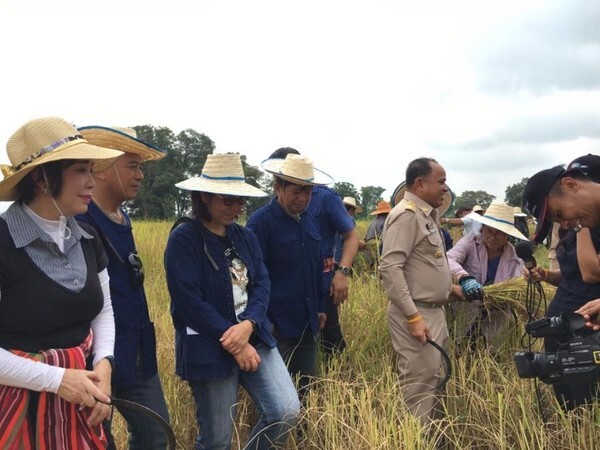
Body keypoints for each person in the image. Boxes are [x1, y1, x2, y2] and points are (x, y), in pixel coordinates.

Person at [0, 117, 124, 448]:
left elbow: (104, 309)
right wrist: (56, 379)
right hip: (17, 411)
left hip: (84, 402)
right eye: (81, 170)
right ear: (43, 179)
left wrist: (104, 363)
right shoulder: (2, 243)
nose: (92, 183)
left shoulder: (87, 237)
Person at [164, 153, 300, 450]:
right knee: (217, 438)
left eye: (240, 201)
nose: (235, 207)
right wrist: (235, 340)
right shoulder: (184, 238)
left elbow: (261, 283)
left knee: (286, 410)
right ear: (204, 196)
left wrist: (249, 324)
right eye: (227, 199)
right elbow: (188, 301)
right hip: (208, 343)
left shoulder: (245, 236)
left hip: (254, 334)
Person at [76, 125, 170, 449]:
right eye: (132, 165)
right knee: (99, 440)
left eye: (141, 167)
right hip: (97, 361)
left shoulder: (123, 218)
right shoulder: (81, 223)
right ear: (101, 169)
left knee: (156, 436)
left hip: (139, 352)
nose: (140, 175)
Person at [379, 157, 464, 424]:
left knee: (434, 379)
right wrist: (413, 317)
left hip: (433, 312)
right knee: (420, 383)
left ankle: (430, 438)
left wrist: (449, 288)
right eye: (440, 182)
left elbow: (423, 267)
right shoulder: (406, 216)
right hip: (417, 314)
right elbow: (391, 267)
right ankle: (415, 438)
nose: (445, 188)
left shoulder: (427, 217)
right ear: (420, 183)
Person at [247, 153, 331, 399]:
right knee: (276, 397)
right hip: (275, 328)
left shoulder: (310, 222)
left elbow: (316, 269)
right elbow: (251, 279)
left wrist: (320, 306)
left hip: (307, 323)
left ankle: (303, 437)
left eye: (308, 191)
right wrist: (263, 320)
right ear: (278, 188)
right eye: (296, 191)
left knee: (306, 388)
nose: (303, 197)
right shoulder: (260, 224)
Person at [265, 148, 359, 356]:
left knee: (330, 339)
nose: (301, 197)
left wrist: (341, 272)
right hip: (285, 288)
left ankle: (336, 380)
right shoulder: (273, 207)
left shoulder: (325, 198)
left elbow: (351, 236)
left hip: (322, 283)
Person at [523, 154, 600, 411]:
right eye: (557, 222)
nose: (565, 223)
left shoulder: (586, 226)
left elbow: (591, 273)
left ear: (570, 185)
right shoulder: (580, 224)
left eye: (558, 214)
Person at [447, 202, 527, 351]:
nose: (493, 237)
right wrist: (465, 278)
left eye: (499, 233)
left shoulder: (515, 257)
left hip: (496, 316)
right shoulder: (470, 243)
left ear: (507, 236)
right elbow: (449, 259)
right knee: (460, 350)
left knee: (491, 353)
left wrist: (504, 297)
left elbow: (519, 284)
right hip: (466, 311)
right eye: (489, 231)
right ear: (482, 230)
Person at [333, 196, 366, 263]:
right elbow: (348, 239)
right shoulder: (349, 219)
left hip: (334, 257)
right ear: (352, 209)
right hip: (343, 259)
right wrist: (361, 243)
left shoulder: (335, 218)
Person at [363, 200, 391, 269]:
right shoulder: (385, 222)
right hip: (378, 256)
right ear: (388, 213)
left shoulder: (372, 223)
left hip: (368, 255)